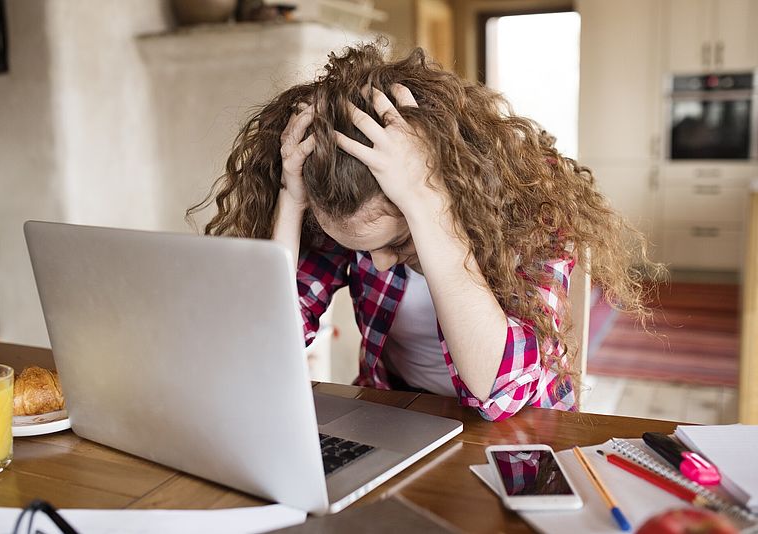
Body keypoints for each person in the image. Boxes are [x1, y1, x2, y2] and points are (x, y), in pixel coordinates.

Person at [189, 43, 658, 421]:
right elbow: (264, 350)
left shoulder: (532, 208)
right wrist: (291, 203)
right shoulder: (356, 206)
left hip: (522, 434)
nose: (378, 263)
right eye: (363, 250)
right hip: (397, 417)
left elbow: (500, 393)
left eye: (397, 242)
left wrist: (428, 203)